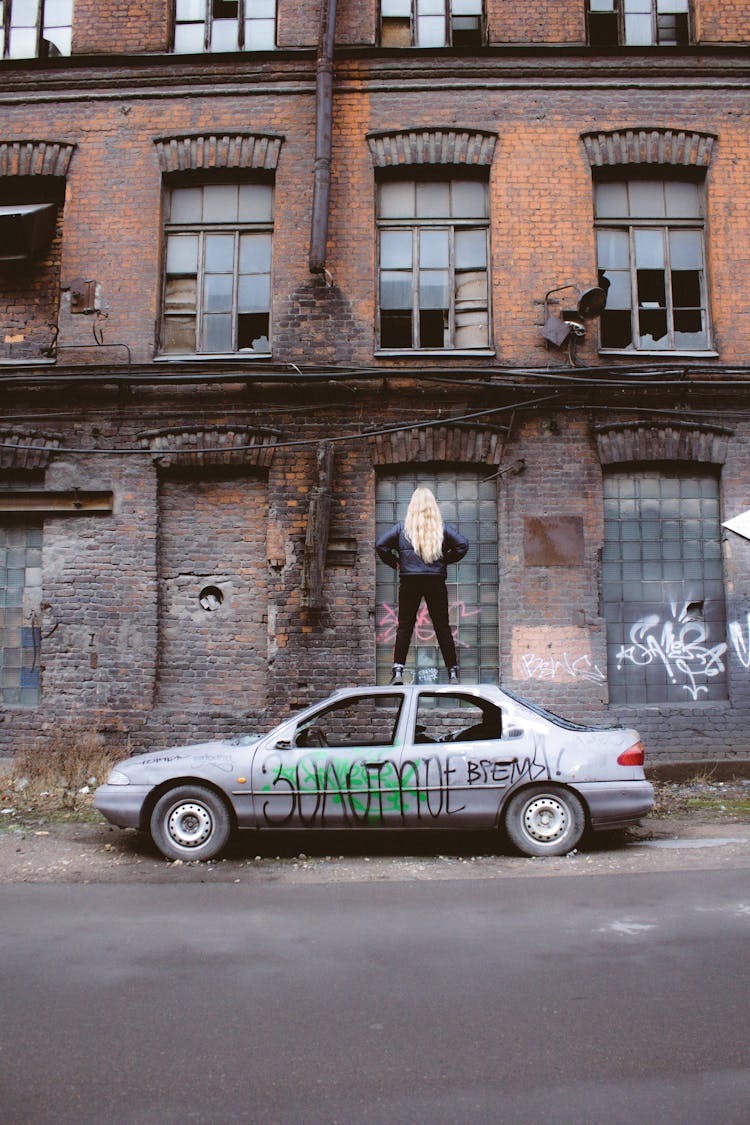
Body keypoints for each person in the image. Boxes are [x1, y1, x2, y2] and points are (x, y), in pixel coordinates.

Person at [376, 486, 469, 685]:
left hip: (410, 580)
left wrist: (396, 563)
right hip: (435, 580)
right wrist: (444, 560)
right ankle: (453, 674)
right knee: (442, 627)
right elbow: (462, 545)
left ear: (413, 506)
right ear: (433, 507)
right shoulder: (441, 528)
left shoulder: (403, 529)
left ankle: (398, 672)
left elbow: (381, 545)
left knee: (405, 626)